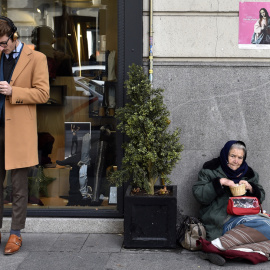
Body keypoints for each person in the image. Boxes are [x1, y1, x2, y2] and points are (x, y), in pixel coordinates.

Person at [0, 17, 49, 255]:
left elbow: (42, 94)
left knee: (18, 187)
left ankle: (15, 234)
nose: (1, 48)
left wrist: (13, 91)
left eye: (3, 43)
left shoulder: (36, 58)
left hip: (19, 130)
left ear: (14, 37)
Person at [193, 140, 268, 265]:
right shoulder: (210, 170)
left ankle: (216, 247)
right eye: (232, 156)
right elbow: (200, 195)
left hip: (244, 216)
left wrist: (250, 187)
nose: (236, 161)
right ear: (225, 155)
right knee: (262, 229)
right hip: (220, 218)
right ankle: (225, 247)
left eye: (240, 157)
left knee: (265, 225)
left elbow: (261, 196)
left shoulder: (248, 173)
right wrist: (220, 182)